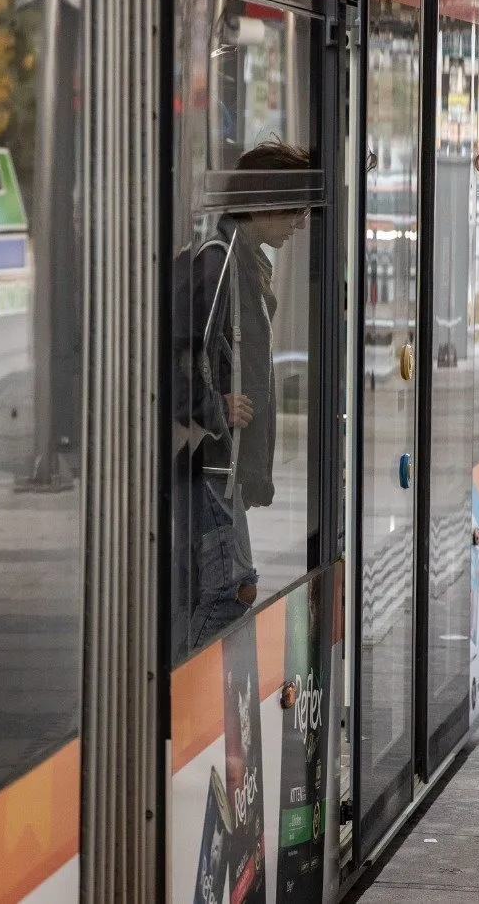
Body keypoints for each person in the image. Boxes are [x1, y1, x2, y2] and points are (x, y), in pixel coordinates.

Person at [172, 141, 311, 657]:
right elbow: (169, 359)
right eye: (294, 209)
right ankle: (185, 710)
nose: (299, 223)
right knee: (229, 591)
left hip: (220, 465)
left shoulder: (243, 260)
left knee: (215, 590)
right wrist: (215, 407)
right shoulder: (219, 262)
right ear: (262, 204)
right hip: (207, 464)